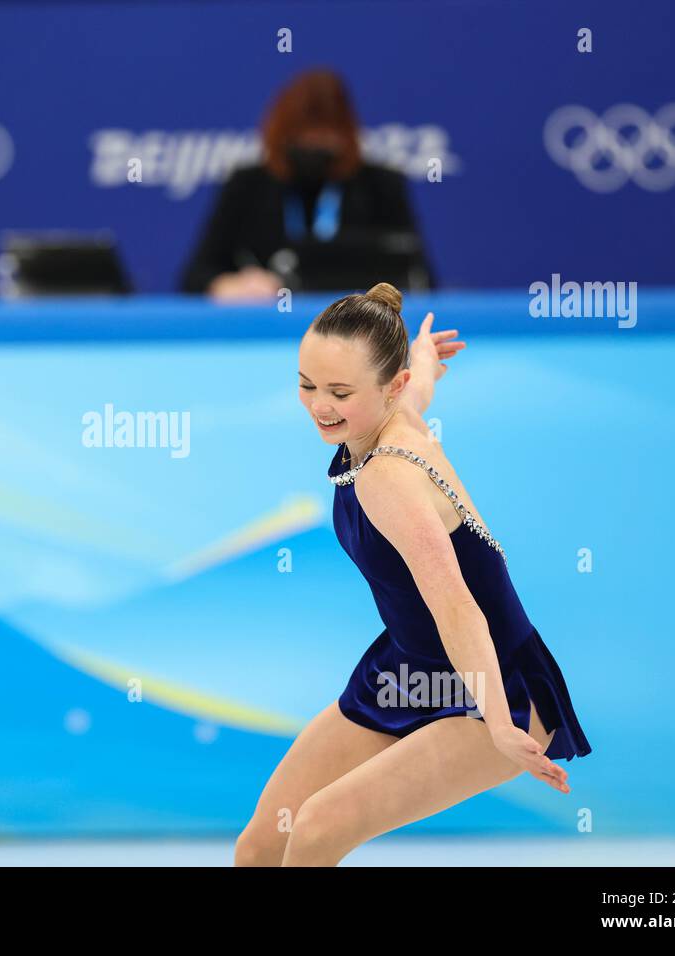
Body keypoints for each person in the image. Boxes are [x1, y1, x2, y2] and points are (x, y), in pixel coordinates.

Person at [236, 282, 592, 866]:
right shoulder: (388, 415)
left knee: (318, 827)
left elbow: (456, 604)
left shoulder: (390, 475)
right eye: (307, 385)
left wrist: (501, 726)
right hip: (407, 669)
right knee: (261, 846)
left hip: (491, 685)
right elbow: (418, 392)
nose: (320, 404)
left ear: (388, 387)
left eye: (340, 391)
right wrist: (423, 358)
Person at [178, 69, 434, 300]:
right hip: (270, 326)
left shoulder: (381, 186)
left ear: (346, 134)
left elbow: (420, 277)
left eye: (325, 136)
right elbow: (195, 276)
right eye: (303, 135)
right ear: (280, 134)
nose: (313, 146)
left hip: (358, 330)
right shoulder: (247, 185)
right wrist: (228, 284)